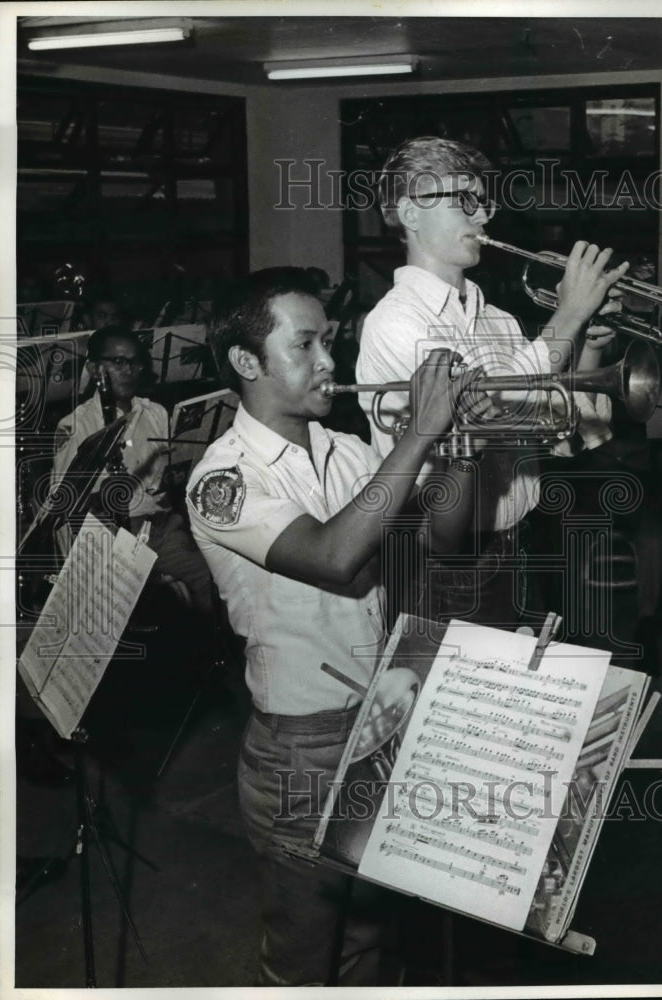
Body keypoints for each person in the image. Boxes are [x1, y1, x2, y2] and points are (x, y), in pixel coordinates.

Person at [185, 267, 489, 986]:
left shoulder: (347, 451)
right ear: (245, 362)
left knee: (363, 939)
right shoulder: (223, 481)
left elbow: (449, 533)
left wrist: (463, 444)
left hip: (376, 722)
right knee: (302, 952)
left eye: (333, 342)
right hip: (300, 746)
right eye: (308, 345)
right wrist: (420, 431)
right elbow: (333, 554)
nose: (330, 361)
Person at [356, 135, 628, 629]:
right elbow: (481, 411)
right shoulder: (394, 322)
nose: (482, 217)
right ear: (410, 213)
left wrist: (590, 342)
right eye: (464, 201)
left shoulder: (498, 320)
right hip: (441, 565)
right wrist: (568, 316)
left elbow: (569, 434)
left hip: (519, 545)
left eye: (483, 202)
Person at [51, 325, 213, 616]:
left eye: (135, 362)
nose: (128, 370)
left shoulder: (156, 413)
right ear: (93, 367)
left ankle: (209, 654)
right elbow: (65, 504)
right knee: (145, 606)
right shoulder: (76, 425)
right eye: (117, 362)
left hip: (162, 526)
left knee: (208, 579)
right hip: (111, 535)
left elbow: (167, 479)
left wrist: (174, 479)